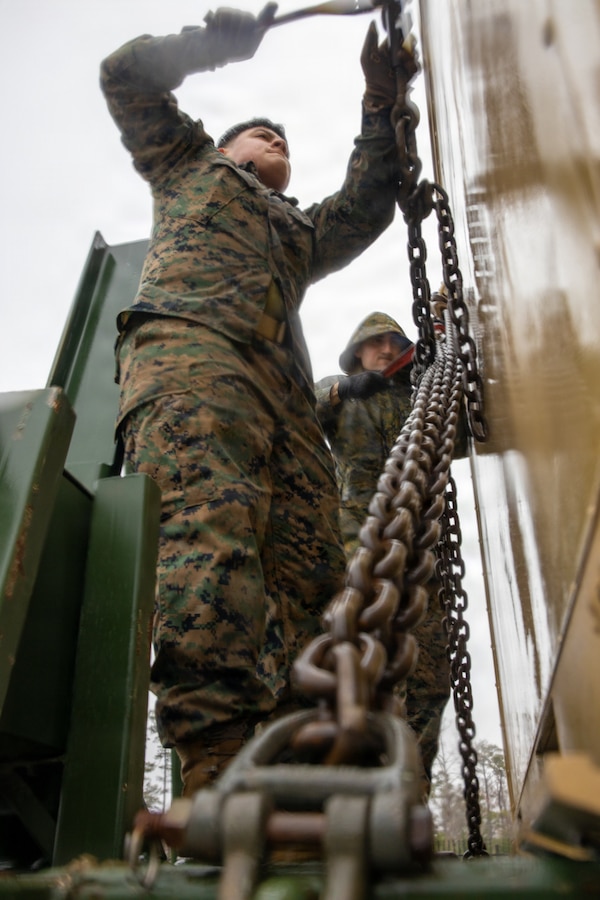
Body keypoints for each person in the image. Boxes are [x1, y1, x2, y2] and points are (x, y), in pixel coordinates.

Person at [100, 7, 416, 795]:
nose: (274, 141)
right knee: (211, 547)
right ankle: (215, 763)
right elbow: (124, 73)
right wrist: (212, 47)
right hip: (191, 356)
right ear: (227, 145)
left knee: (316, 579)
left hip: (283, 399)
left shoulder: (299, 232)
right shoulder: (185, 162)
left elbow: (368, 201)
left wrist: (379, 102)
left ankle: (304, 766)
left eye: (284, 139)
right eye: (260, 134)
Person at [314, 311, 451, 793]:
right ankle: (346, 793)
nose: (388, 350)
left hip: (421, 560)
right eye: (376, 344)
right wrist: (343, 388)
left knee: (431, 677)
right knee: (356, 668)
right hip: (359, 551)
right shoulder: (341, 394)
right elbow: (301, 403)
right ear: (357, 353)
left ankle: (409, 795)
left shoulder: (421, 401)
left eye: (395, 343)